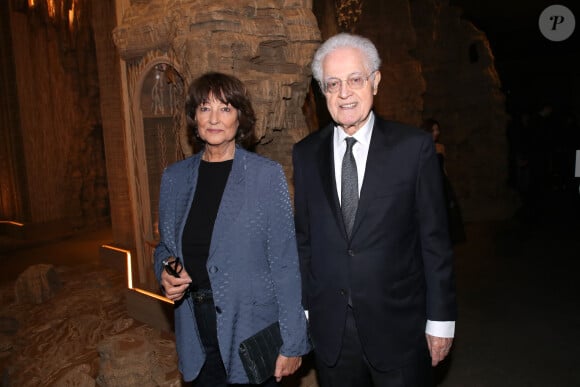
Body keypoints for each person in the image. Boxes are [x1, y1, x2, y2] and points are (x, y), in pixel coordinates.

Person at [292, 33, 457, 386]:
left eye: (355, 79)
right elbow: (305, 240)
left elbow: (434, 240)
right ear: (322, 92)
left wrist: (440, 320)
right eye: (332, 84)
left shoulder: (414, 149)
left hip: (399, 326)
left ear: (375, 81)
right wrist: (305, 311)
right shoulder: (306, 154)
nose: (344, 93)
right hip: (332, 332)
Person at [154, 72, 311, 386]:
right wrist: (166, 270)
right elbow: (166, 248)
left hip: (251, 331)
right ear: (194, 118)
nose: (214, 118)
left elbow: (285, 264)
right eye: (204, 108)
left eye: (225, 108)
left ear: (240, 117)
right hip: (195, 332)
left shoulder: (266, 176)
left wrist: (294, 341)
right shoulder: (175, 178)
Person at [421, 118, 466, 245]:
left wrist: (448, 185)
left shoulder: (440, 147)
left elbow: (443, 168)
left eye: (437, 129)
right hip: (429, 184)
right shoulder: (421, 147)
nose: (436, 132)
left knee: (446, 212)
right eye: (433, 130)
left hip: (442, 183)